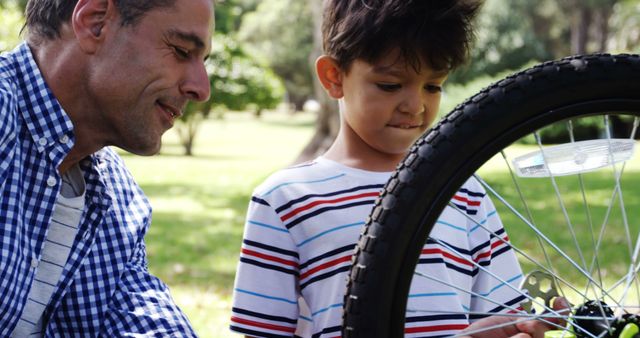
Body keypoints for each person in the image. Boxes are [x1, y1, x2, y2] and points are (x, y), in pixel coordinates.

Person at [228, 0, 565, 337]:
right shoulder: (284, 200)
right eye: (390, 85)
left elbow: (503, 317)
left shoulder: (465, 192)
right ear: (334, 77)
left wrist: (523, 328)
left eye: (433, 86)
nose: (416, 105)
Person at [0, 0, 212, 336]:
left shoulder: (117, 196)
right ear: (95, 23)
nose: (201, 88)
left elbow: (140, 321)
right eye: (180, 50)